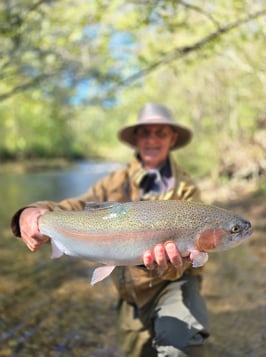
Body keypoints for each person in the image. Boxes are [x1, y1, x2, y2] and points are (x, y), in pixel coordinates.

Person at [11, 103, 209, 356]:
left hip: (173, 286)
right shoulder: (114, 182)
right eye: (146, 133)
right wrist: (31, 212)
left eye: (161, 133)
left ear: (172, 139)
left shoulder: (187, 189)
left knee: (179, 346)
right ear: (136, 138)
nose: (152, 139)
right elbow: (71, 207)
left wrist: (172, 265)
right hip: (130, 294)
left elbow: (197, 262)